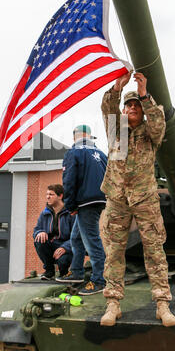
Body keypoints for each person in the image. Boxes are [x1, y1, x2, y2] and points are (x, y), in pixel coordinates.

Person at [100, 72, 175, 327]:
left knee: (155, 250)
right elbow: (108, 107)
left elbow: (158, 120)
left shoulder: (150, 132)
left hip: (145, 199)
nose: (132, 108)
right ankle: (113, 304)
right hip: (118, 198)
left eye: (137, 105)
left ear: (142, 110)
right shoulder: (116, 131)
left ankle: (162, 305)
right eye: (129, 104)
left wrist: (143, 92)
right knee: (114, 252)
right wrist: (118, 87)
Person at [56, 125, 107, 296]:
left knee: (92, 240)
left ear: (74, 137)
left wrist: (69, 205)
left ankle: (99, 280)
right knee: (76, 237)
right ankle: (76, 272)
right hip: (99, 199)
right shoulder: (101, 154)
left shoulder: (74, 152)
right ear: (90, 136)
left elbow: (69, 181)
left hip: (85, 202)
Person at [33, 184, 74, 280]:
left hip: (67, 246)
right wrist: (40, 232)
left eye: (51, 194)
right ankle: (49, 271)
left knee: (63, 261)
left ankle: (64, 273)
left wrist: (65, 247)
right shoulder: (45, 213)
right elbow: (36, 229)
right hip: (51, 245)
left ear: (60, 196)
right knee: (39, 240)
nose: (48, 197)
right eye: (47, 194)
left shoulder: (71, 213)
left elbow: (77, 236)